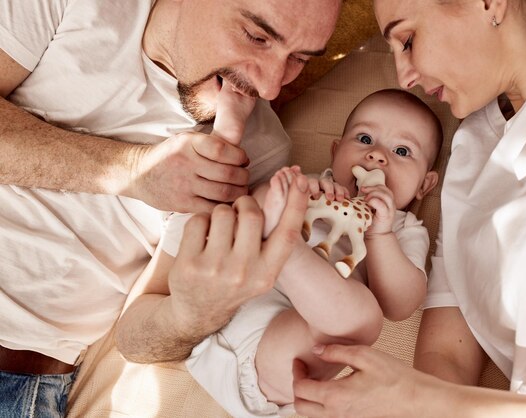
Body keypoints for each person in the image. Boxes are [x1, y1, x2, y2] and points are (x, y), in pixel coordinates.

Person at [0, 0, 341, 416]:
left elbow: (136, 339)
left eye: (298, 60)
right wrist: (135, 171)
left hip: (17, 380)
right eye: (257, 36)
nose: (270, 86)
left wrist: (192, 313)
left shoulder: (259, 154)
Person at [292, 0, 526, 417]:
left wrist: (427, 401)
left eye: (409, 40)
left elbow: (435, 395)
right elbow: (446, 356)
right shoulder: (470, 149)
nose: (404, 77)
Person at [177, 89, 442, 417]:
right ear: (335, 152)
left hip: (274, 358)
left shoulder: (404, 229)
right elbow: (251, 215)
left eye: (402, 150)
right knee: (260, 205)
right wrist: (284, 196)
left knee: (361, 321)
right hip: (222, 310)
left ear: (425, 185)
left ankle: (284, 242)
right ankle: (280, 237)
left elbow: (400, 304)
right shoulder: (312, 186)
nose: (376, 155)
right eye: (363, 138)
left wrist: (380, 234)